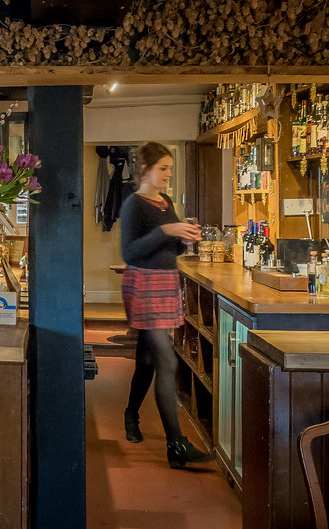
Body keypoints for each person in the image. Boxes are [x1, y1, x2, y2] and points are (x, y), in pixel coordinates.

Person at [119, 142, 213, 469]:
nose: (168, 175)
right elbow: (129, 253)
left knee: (147, 360)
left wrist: (183, 239)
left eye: (170, 169)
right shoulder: (134, 204)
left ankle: (131, 416)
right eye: (164, 168)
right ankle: (177, 445)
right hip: (143, 284)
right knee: (166, 361)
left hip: (165, 282)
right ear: (145, 170)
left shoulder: (166, 202)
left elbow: (170, 250)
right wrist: (166, 230)